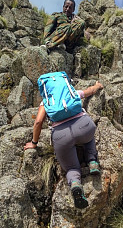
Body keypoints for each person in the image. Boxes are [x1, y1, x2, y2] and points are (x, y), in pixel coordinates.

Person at [24, 78, 105, 209]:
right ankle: (92, 162)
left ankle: (75, 184)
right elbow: (90, 91)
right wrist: (97, 85)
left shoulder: (46, 102)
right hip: (83, 126)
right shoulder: (71, 92)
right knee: (89, 138)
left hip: (62, 137)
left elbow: (38, 122)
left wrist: (34, 143)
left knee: (72, 168)